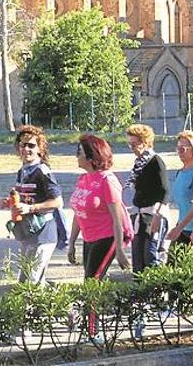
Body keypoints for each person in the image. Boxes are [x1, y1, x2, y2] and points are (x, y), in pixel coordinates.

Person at [67, 134, 131, 339]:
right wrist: (71, 243)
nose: (76, 155)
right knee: (90, 283)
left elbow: (117, 217)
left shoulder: (107, 180)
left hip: (107, 237)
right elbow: (78, 213)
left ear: (91, 156)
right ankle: (92, 326)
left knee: (92, 283)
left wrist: (120, 249)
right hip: (89, 237)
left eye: (79, 151)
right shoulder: (83, 179)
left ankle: (93, 332)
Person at [4, 125, 63, 285]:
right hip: (27, 233)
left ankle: (58, 307)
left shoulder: (42, 171)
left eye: (31, 145)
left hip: (44, 233)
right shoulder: (23, 170)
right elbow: (25, 197)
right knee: (26, 281)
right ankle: (52, 306)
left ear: (40, 148)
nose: (26, 149)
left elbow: (57, 202)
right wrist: (10, 203)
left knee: (31, 282)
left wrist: (30, 208)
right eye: (23, 145)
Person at [124, 124, 170, 272]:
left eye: (135, 144)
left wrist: (158, 215)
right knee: (137, 257)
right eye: (129, 144)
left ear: (145, 143)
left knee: (150, 256)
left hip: (153, 214)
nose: (132, 148)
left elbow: (165, 191)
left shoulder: (155, 161)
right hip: (139, 214)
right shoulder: (139, 162)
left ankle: (155, 291)